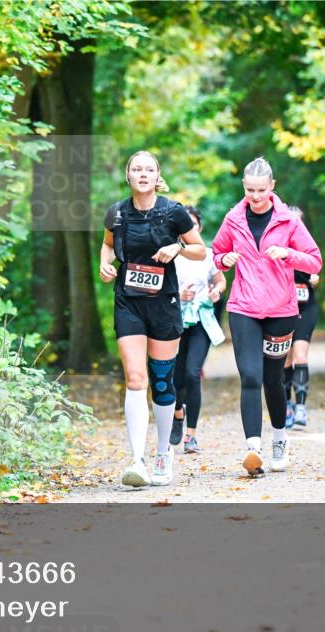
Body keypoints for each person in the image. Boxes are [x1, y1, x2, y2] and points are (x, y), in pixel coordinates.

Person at [100, 151, 207, 487]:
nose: (142, 174)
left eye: (148, 169)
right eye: (136, 169)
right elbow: (107, 245)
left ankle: (163, 452)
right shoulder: (116, 213)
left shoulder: (173, 212)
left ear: (156, 175)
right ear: (128, 175)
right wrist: (104, 264)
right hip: (128, 301)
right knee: (135, 378)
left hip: (164, 301)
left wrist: (177, 248)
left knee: (163, 381)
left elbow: (200, 250)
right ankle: (136, 459)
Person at [211, 157, 322, 476]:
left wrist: (289, 254)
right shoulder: (233, 218)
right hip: (244, 307)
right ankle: (252, 449)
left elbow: (314, 262)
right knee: (250, 376)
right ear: (243, 188)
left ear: (272, 187)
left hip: (281, 311)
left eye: (261, 190)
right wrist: (225, 259)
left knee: (274, 379)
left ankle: (279, 439)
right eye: (249, 190)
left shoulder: (288, 221)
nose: (255, 196)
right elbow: (216, 256)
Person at [169, 205, 227, 454]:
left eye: (192, 225)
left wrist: (217, 291)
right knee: (176, 378)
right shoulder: (170, 255)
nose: (188, 230)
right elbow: (160, 288)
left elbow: (221, 280)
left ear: (199, 229)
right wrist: (178, 294)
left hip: (202, 320)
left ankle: (191, 435)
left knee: (193, 374)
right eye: (184, 227)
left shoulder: (209, 254)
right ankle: (178, 415)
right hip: (175, 321)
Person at [282, 206, 319, 430]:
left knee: (300, 355)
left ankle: (301, 408)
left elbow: (316, 268)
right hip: (283, 310)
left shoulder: (307, 249)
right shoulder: (278, 248)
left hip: (306, 309)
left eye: (299, 222)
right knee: (285, 359)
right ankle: (286, 405)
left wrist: (314, 277)